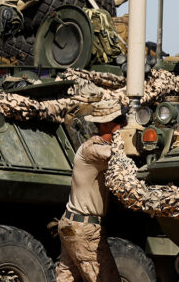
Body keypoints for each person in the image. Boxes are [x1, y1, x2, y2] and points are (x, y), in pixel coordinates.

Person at [56, 100, 124, 282]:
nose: (123, 125)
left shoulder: (90, 147)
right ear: (105, 124)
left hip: (71, 224)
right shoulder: (92, 149)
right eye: (120, 121)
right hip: (84, 229)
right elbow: (118, 155)